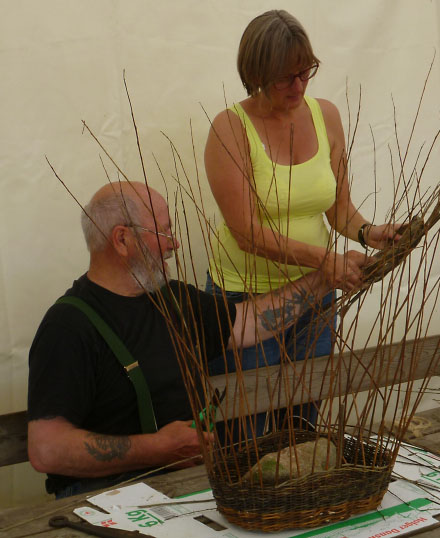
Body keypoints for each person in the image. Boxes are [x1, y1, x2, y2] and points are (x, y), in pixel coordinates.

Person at [27, 181, 331, 498]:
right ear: (122, 239)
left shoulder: (175, 299)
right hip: (109, 500)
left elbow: (250, 323)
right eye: (163, 232)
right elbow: (47, 449)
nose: (174, 244)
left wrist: (324, 280)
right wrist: (156, 449)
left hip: (190, 489)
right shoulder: (68, 326)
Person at [204, 10, 401, 430]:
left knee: (302, 424)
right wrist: (323, 261)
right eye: (284, 77)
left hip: (315, 298)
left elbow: (339, 209)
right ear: (256, 72)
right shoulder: (230, 129)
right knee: (249, 432)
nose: (298, 86)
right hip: (247, 302)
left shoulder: (325, 115)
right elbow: (247, 234)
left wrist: (370, 232)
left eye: (305, 72)